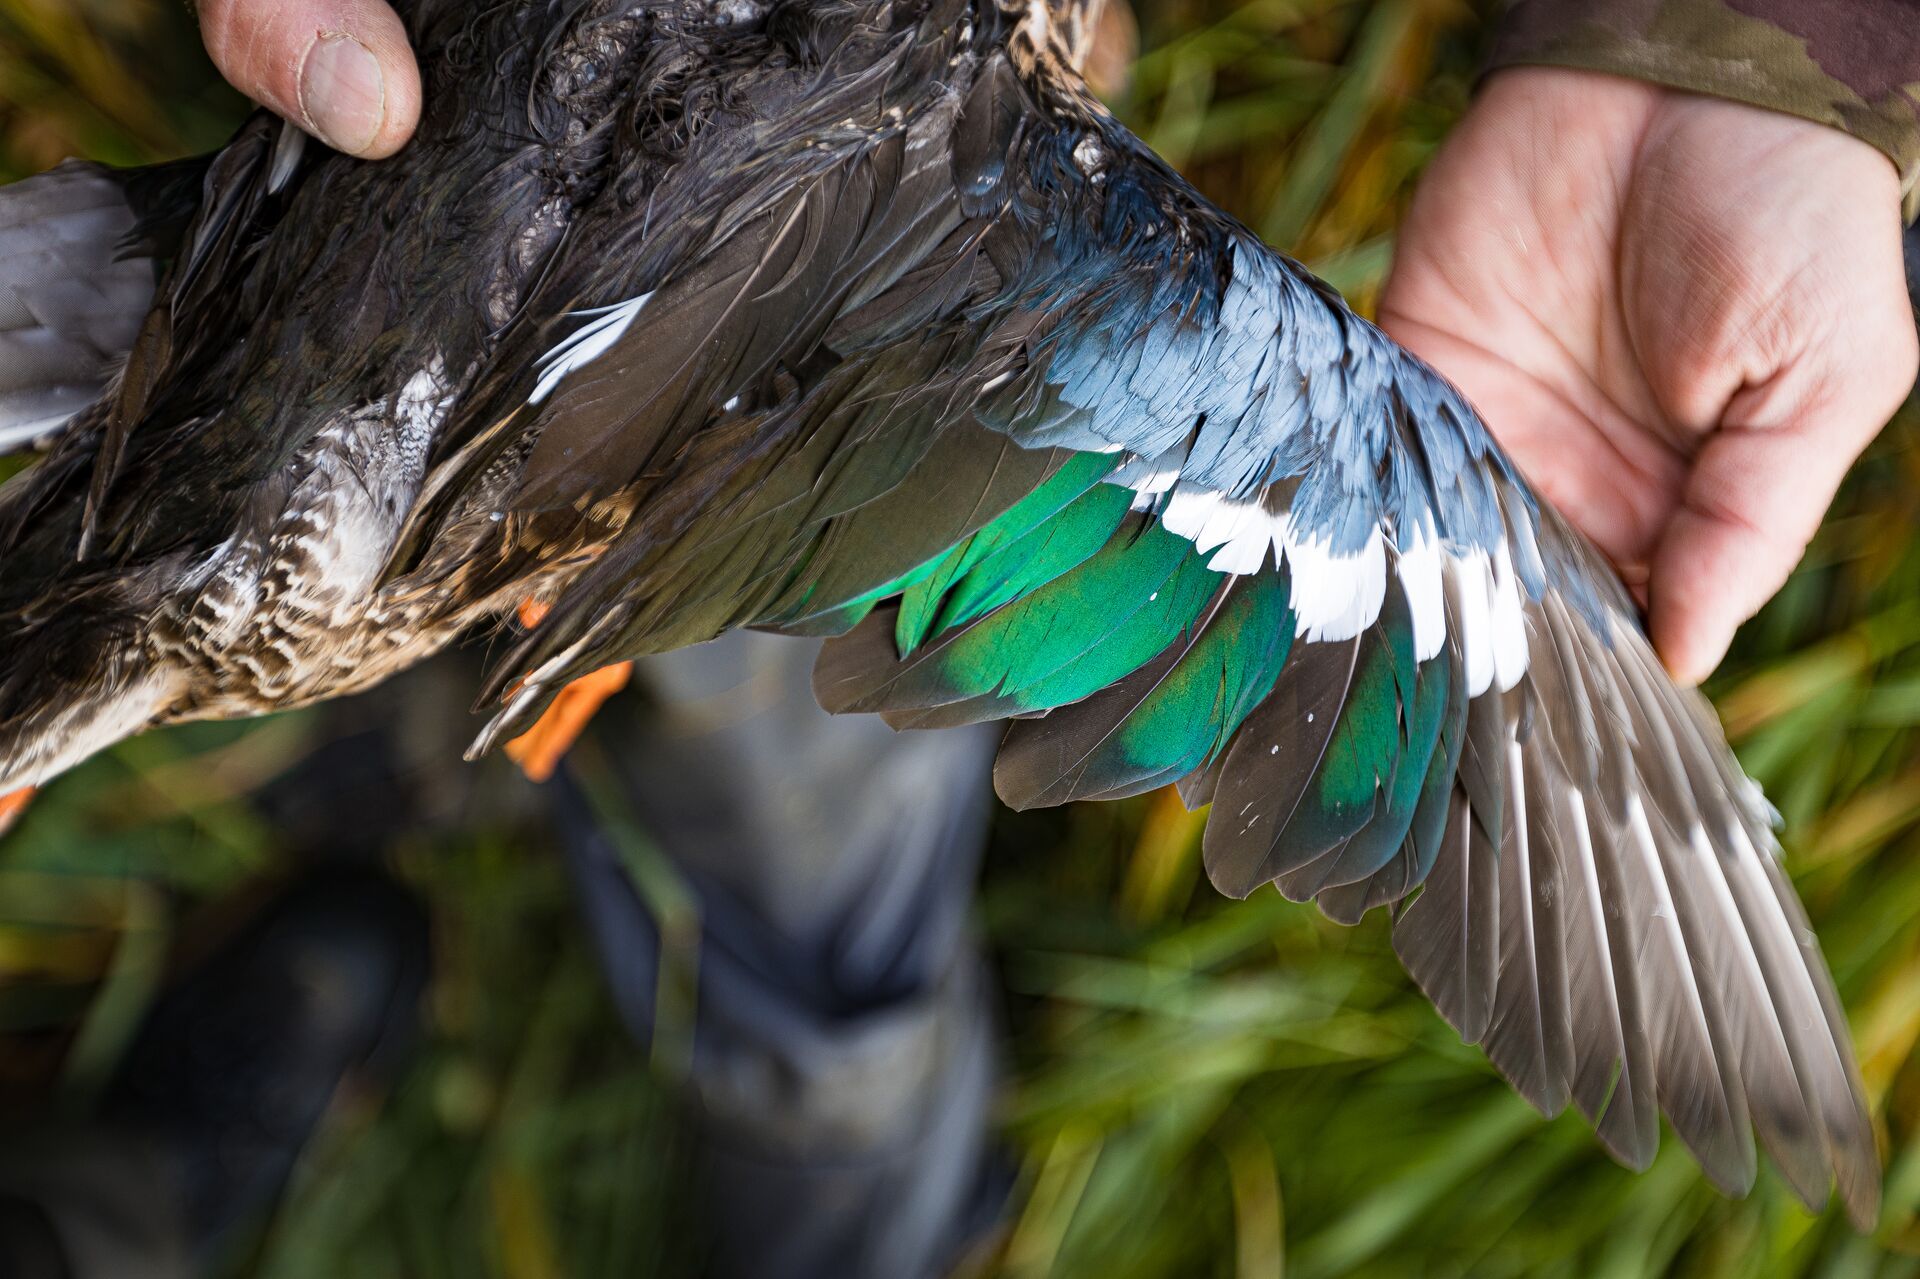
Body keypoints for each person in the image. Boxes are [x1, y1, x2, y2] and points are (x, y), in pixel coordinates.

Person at [4, 1, 1916, 1276]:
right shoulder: (999, 186)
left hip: (307, 314)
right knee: (794, 828)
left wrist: (1737, 51)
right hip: (447, 384)